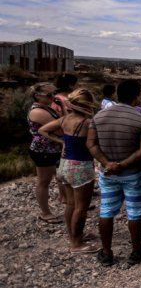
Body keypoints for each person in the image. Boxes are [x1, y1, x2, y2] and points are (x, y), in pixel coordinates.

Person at [86, 79, 141, 266]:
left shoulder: (98, 117)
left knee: (106, 211)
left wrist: (108, 163)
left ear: (117, 94)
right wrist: (122, 165)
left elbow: (90, 144)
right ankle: (136, 250)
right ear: (137, 95)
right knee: (135, 213)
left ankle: (106, 252)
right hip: (133, 174)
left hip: (107, 174)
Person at [39, 88, 99, 252]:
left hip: (64, 165)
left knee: (71, 204)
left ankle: (74, 236)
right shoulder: (87, 123)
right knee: (81, 207)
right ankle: (77, 244)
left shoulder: (65, 119)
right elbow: (93, 145)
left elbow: (42, 129)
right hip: (81, 167)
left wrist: (61, 141)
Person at [27, 82, 65, 223]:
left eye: (54, 93)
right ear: (37, 96)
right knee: (44, 182)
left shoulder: (47, 108)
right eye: (49, 94)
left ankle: (66, 201)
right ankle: (45, 213)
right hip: (43, 151)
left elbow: (64, 122)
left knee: (61, 176)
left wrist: (62, 107)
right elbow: (62, 129)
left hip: (52, 149)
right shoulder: (38, 111)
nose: (53, 96)